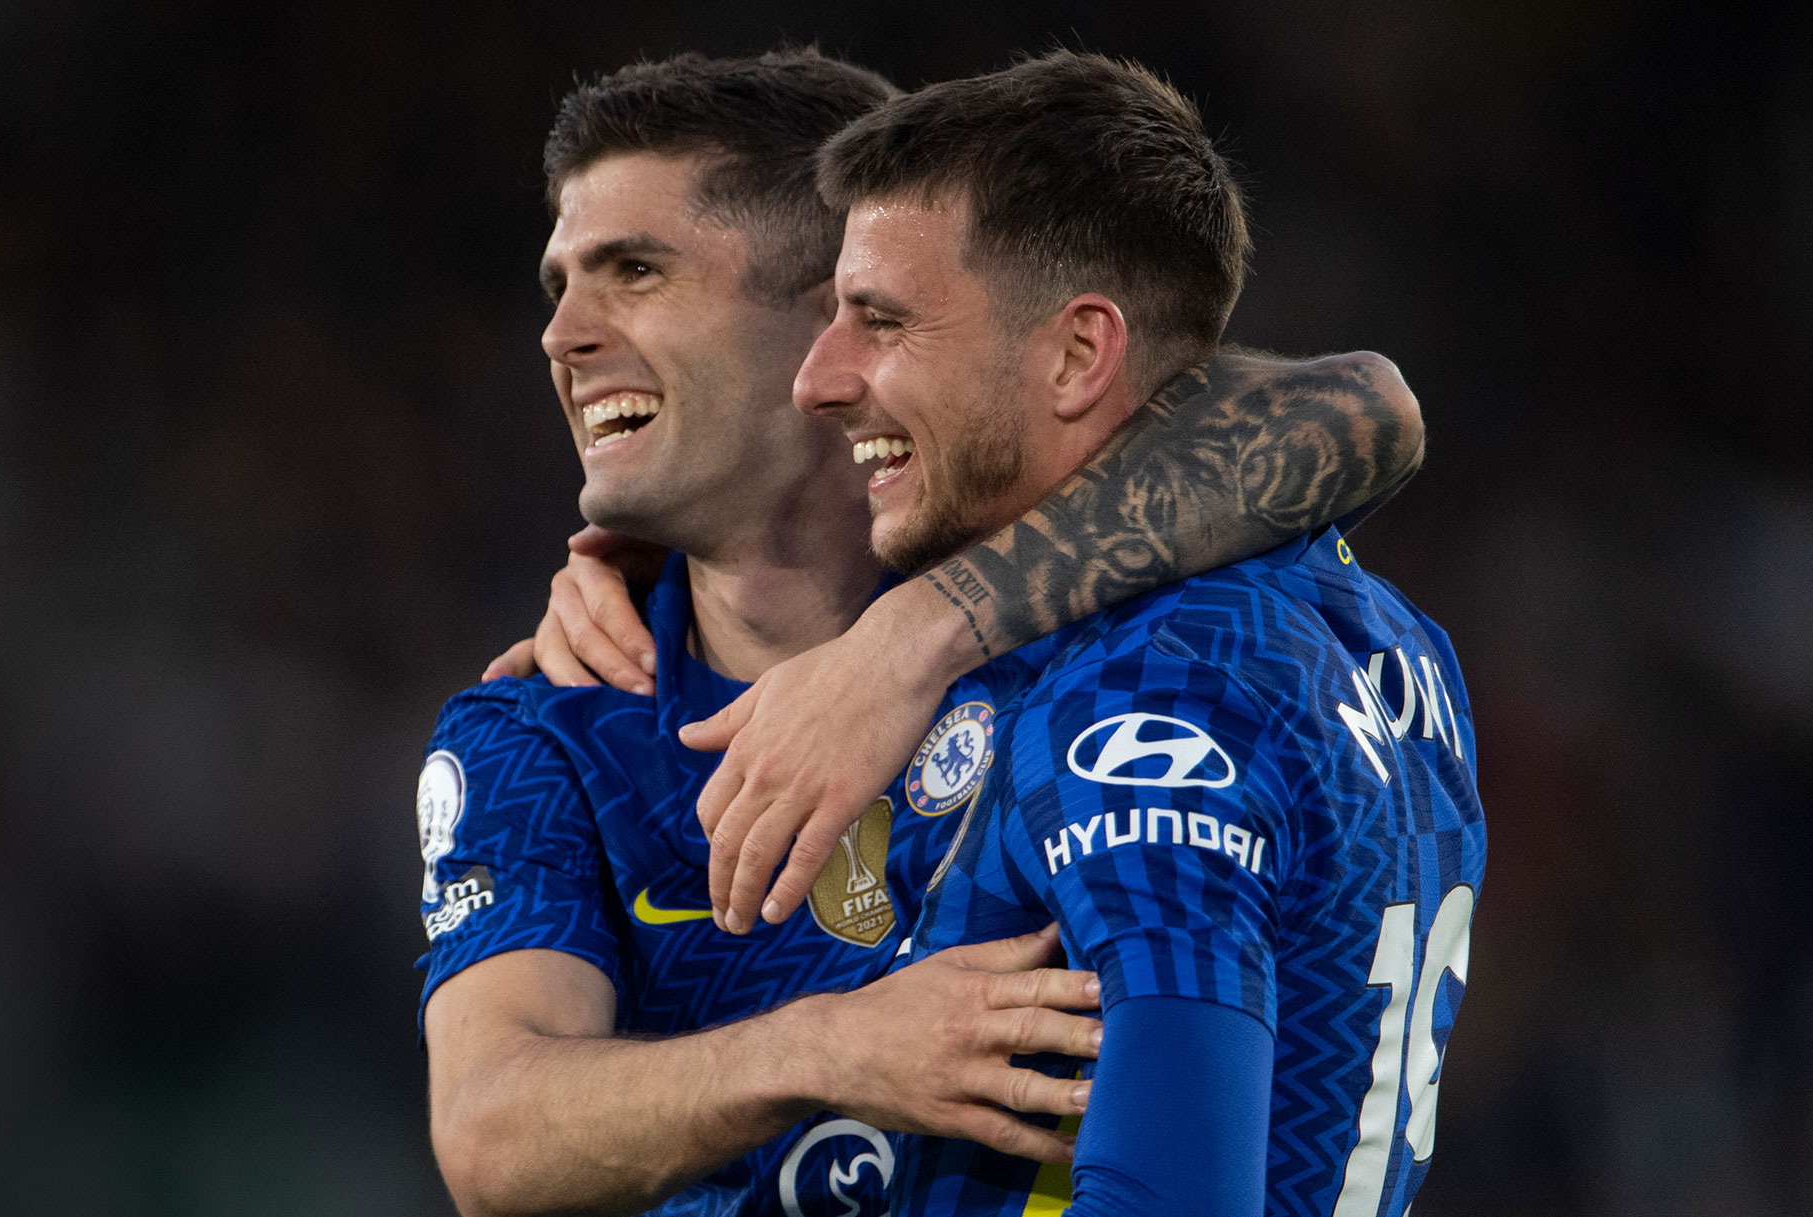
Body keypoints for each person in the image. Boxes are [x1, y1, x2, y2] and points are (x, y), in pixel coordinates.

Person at [421, 50, 1427, 1217]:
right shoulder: (550, 720)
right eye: (560, 283)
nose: (561, 335)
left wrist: (917, 636)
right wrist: (825, 1048)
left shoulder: (1100, 648)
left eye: (633, 271)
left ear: (827, 316)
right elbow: (492, 1131)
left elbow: (1358, 407)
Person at [731, 51, 1479, 1215]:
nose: (819, 378)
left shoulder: (1144, 691)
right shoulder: (1386, 637)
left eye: (879, 319)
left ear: (1079, 353)